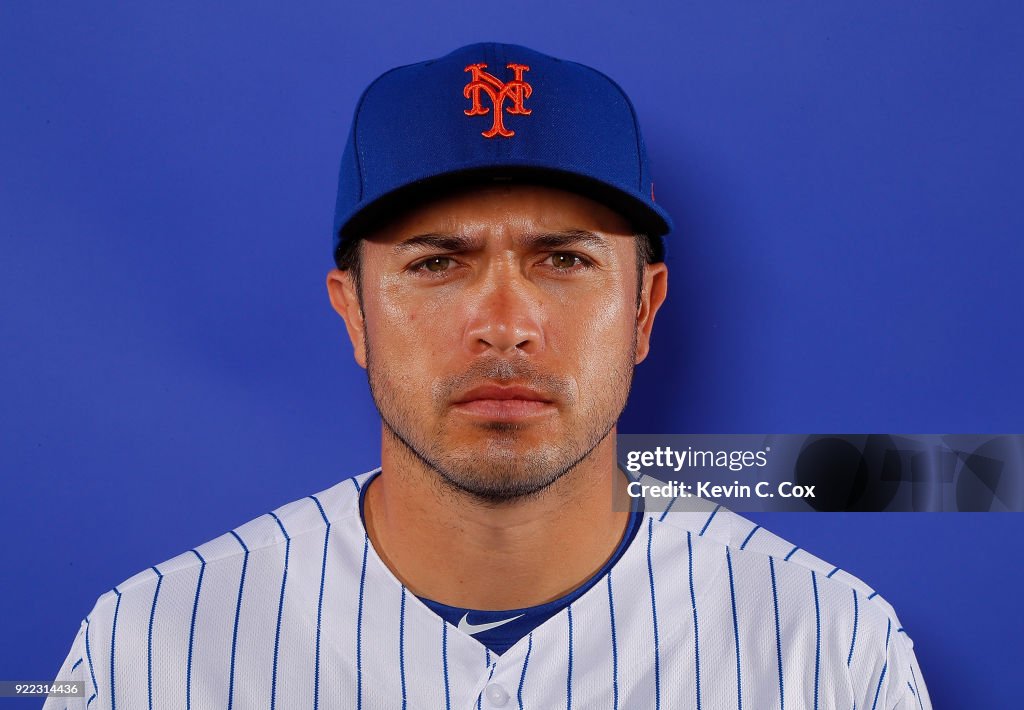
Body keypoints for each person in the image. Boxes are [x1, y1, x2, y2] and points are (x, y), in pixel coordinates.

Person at [46, 42, 931, 710]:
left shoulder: (828, 647)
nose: (505, 326)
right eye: (436, 263)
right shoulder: (150, 647)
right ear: (353, 311)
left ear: (644, 310)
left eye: (563, 261)